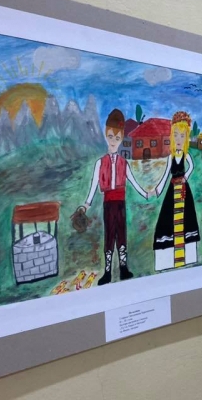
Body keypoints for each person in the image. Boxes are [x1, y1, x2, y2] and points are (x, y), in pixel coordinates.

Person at [84, 109, 149, 285]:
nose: (113, 141)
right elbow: (93, 186)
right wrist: (86, 204)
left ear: (121, 139)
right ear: (106, 136)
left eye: (117, 138)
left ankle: (123, 268)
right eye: (111, 136)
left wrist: (146, 194)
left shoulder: (124, 163)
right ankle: (107, 272)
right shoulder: (100, 163)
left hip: (121, 204)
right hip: (108, 205)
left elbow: (134, 182)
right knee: (109, 236)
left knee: (121, 235)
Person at [150, 111, 200, 271]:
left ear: (186, 138)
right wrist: (157, 190)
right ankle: (166, 260)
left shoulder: (186, 155)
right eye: (176, 135)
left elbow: (191, 167)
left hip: (184, 192)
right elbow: (165, 175)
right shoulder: (170, 157)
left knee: (187, 221)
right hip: (172, 192)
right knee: (167, 222)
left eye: (182, 136)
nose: (179, 139)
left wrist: (185, 177)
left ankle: (188, 257)